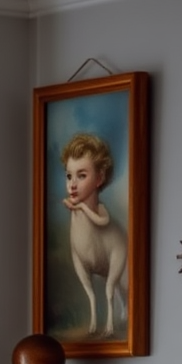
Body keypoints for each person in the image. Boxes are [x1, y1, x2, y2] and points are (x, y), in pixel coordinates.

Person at [60, 132, 127, 338]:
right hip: (89, 255)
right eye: (69, 175)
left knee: (110, 289)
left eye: (81, 176)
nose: (72, 184)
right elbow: (77, 250)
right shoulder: (74, 214)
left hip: (115, 254)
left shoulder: (99, 210)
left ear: (99, 178)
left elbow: (102, 221)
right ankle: (93, 323)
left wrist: (81, 207)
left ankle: (111, 322)